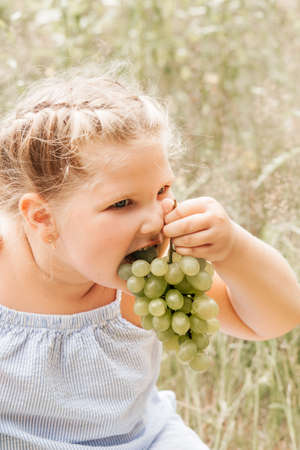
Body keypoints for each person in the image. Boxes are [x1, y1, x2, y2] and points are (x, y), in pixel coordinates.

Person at [0, 64, 299, 450]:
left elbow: (275, 319)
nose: (154, 219)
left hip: (142, 441)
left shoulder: (149, 283)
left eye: (162, 190)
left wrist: (235, 250)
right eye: (122, 203)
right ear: (42, 218)